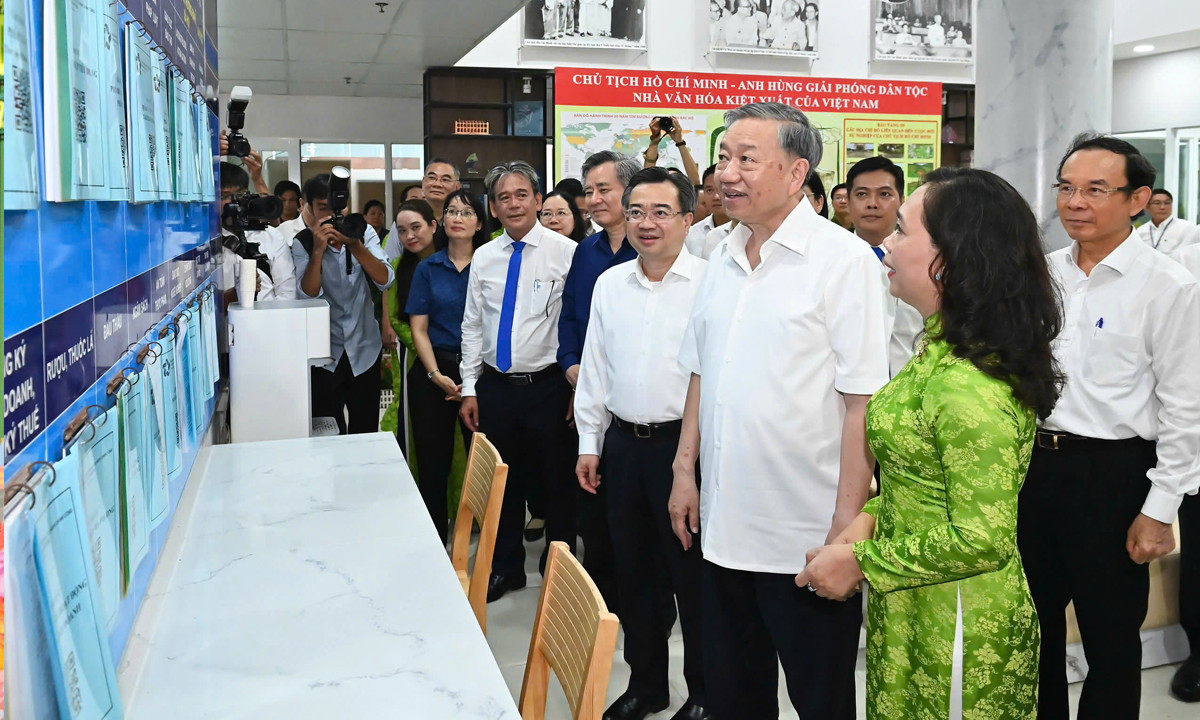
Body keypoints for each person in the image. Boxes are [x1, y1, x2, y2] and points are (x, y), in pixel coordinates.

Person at [799, 167, 1062, 720]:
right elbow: (918, 480)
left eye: (902, 229)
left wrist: (862, 562)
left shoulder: (970, 384)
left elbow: (981, 538)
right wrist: (864, 525)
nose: (888, 243)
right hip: (912, 601)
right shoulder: (938, 352)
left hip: (960, 618)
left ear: (952, 255)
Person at [669, 102, 890, 719]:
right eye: (723, 157)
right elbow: (702, 371)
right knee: (734, 696)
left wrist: (845, 531)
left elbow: (862, 404)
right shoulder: (721, 255)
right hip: (722, 529)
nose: (726, 173)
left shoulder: (843, 261)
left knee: (820, 700)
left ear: (797, 173)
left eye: (746, 159)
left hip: (804, 537)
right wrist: (684, 471)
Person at [1019, 133, 1200, 720]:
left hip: (1115, 477)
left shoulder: (1169, 286)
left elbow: (1186, 407)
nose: (1075, 202)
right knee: (1032, 632)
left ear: (1137, 199)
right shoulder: (1042, 274)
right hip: (1035, 469)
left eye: (1096, 189)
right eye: (1067, 188)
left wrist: (1160, 508)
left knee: (1111, 640)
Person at [575, 168, 712, 720]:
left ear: (688, 219)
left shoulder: (712, 284)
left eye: (661, 212)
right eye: (636, 212)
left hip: (688, 450)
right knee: (634, 575)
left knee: (693, 578)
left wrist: (691, 462)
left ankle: (704, 693)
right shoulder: (610, 284)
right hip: (624, 446)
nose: (646, 223)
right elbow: (595, 367)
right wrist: (589, 442)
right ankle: (647, 685)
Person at [459, 161, 577, 602]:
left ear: (538, 200)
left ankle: (560, 571)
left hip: (549, 386)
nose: (513, 204)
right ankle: (507, 568)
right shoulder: (485, 256)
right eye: (503, 197)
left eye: (522, 194)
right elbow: (472, 325)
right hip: (495, 387)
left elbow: (581, 325)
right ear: (492, 207)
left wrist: (578, 389)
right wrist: (469, 386)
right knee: (501, 484)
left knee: (557, 483)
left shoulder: (566, 252)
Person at [557, 150, 642, 608]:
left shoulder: (652, 250)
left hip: (638, 403)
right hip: (587, 396)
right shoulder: (585, 252)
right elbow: (570, 315)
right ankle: (599, 603)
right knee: (594, 507)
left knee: (636, 516)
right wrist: (571, 362)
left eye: (603, 189)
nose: (593, 200)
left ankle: (639, 602)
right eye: (588, 191)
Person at [406, 190, 489, 545]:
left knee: (484, 461)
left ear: (480, 223)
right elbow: (418, 329)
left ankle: (490, 542)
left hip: (481, 373)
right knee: (432, 462)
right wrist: (435, 375)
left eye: (467, 212)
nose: (458, 218)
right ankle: (435, 539)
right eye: (452, 211)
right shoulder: (428, 267)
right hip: (434, 371)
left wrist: (471, 379)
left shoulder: (491, 264)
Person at [292, 173, 396, 435]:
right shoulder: (303, 242)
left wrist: (355, 245)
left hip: (365, 348)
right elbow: (308, 297)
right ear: (308, 208)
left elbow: (386, 280)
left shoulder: (364, 232)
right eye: (323, 208)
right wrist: (318, 251)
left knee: (365, 431)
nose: (332, 216)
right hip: (324, 354)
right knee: (327, 432)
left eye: (340, 208)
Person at [847, 156, 924, 377]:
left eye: (884, 194)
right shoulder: (828, 260)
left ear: (902, 202)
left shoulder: (923, 259)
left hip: (911, 383)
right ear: (848, 202)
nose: (872, 203)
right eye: (862, 194)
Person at [381, 200, 441, 455]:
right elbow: (395, 317)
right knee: (419, 427)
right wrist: (423, 345)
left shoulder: (451, 262)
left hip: (454, 354)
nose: (410, 236)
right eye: (402, 231)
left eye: (416, 227)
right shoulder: (398, 267)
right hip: (413, 356)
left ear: (433, 226)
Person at [219, 162, 296, 304]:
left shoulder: (271, 235)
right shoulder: (205, 240)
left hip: (268, 314)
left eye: (240, 195)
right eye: (224, 196)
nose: (233, 203)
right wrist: (234, 296)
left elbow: (287, 292)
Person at [1136, 188, 1197, 256]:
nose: (1162, 207)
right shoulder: (1141, 231)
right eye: (1157, 203)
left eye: (1167, 203)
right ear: (1147, 206)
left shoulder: (1186, 227)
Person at [643, 116, 701, 186]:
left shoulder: (687, 192)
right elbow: (647, 178)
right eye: (667, 180)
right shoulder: (653, 190)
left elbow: (695, 182)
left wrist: (680, 142)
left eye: (675, 180)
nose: (670, 183)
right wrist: (655, 140)